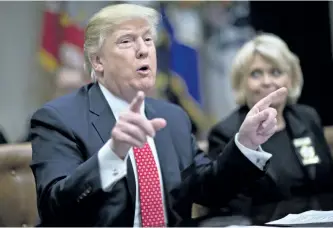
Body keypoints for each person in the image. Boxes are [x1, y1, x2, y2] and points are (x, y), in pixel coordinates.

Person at [29, 5, 287, 227]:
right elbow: (55, 209)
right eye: (126, 41)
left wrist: (245, 144)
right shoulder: (57, 119)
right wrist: (113, 154)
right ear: (98, 61)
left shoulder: (172, 117)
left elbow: (207, 191)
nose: (143, 50)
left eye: (148, 39)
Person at [208, 33, 333, 224]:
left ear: (290, 79)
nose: (267, 81)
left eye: (276, 72)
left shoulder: (307, 118)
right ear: (242, 83)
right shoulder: (225, 133)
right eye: (256, 74)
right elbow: (227, 205)